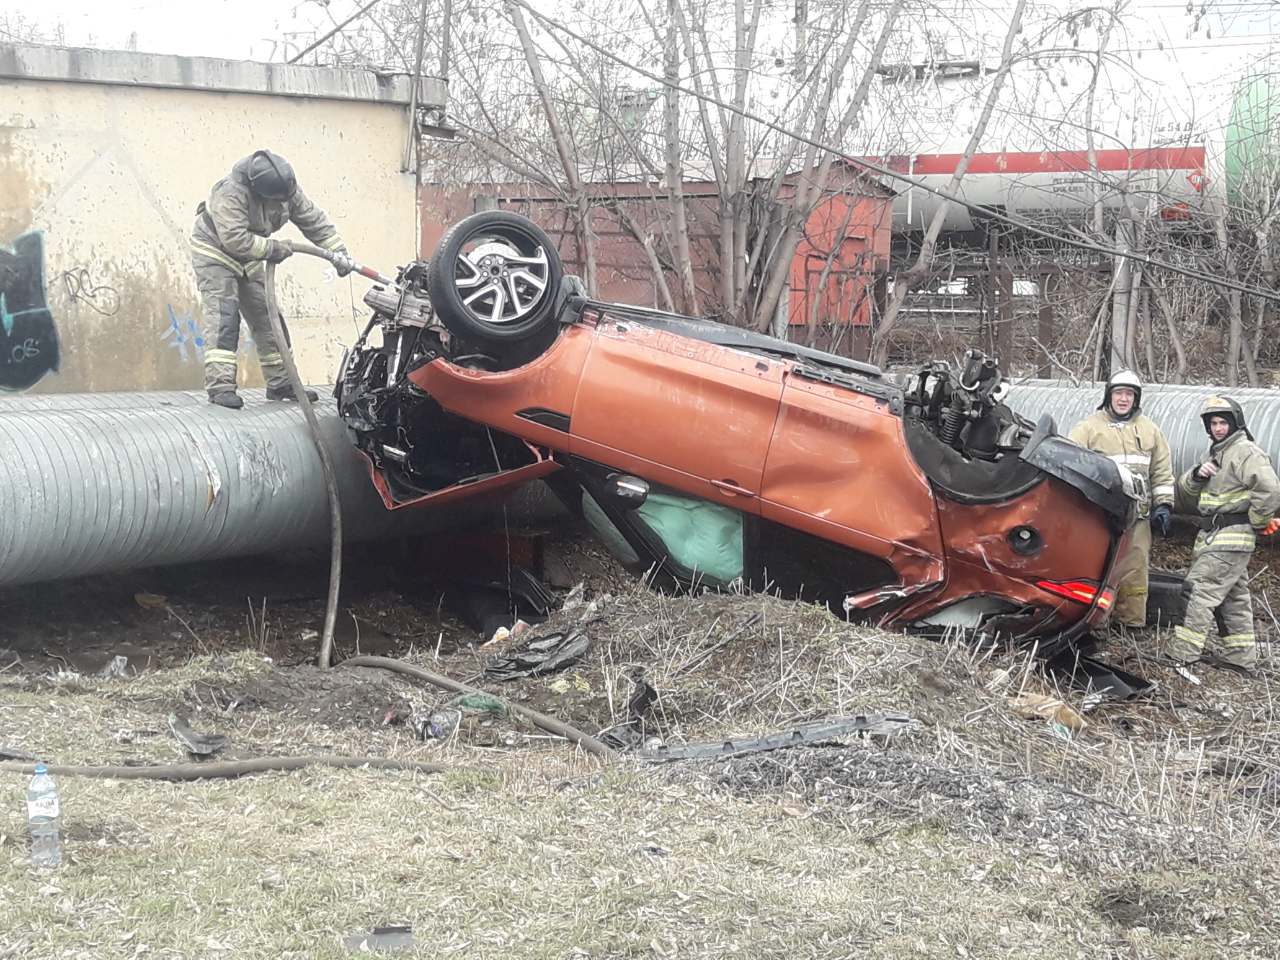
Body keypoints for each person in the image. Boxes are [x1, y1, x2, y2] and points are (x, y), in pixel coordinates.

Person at [189, 150, 352, 409]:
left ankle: (281, 383)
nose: (283, 204)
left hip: (250, 256)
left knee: (268, 316)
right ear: (259, 192)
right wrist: (273, 248)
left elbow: (313, 220)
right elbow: (234, 240)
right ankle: (220, 387)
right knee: (224, 317)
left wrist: (338, 253)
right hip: (215, 253)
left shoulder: (286, 190)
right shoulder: (230, 193)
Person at [1170, 396, 1280, 671]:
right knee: (1233, 598)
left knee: (1197, 592)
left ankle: (1182, 654)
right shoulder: (1213, 455)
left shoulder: (1245, 452)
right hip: (1214, 536)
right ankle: (1241, 658)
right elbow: (1184, 494)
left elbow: (1269, 489)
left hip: (1231, 536)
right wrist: (1197, 475)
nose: (1218, 428)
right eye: (1214, 423)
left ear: (1235, 423)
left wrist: (1258, 522)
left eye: (1223, 422)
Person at [1068, 370, 1175, 628]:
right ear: (1109, 396)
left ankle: (1131, 624)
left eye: (1129, 394)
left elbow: (1161, 472)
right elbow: (1070, 465)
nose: (1124, 399)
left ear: (1136, 398)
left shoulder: (1150, 430)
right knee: (1100, 569)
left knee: (1136, 570)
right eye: (1119, 393)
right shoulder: (1088, 429)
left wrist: (1163, 505)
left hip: (1138, 517)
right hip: (1100, 517)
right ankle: (1095, 623)